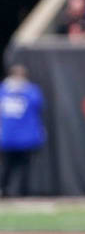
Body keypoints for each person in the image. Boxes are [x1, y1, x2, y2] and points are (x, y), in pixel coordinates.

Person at [0, 65, 46, 197]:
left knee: (25, 167)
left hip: (26, 137)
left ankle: (23, 192)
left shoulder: (31, 91)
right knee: (7, 166)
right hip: (8, 137)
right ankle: (4, 190)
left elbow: (38, 105)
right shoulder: (3, 90)